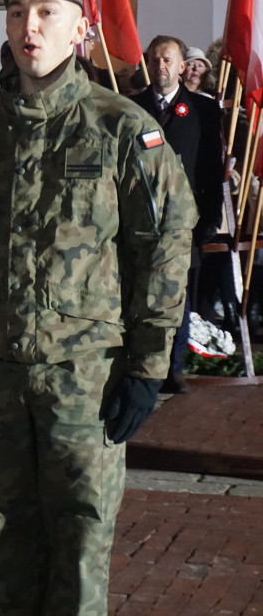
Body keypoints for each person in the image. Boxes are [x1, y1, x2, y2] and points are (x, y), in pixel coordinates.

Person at [0, 0, 197, 615]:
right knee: (3, 553)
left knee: (78, 550)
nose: (28, 27)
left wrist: (147, 369)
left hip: (84, 379)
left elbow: (162, 248)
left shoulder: (123, 129)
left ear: (81, 30)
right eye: (16, 12)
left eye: (45, 12)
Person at [132, 35, 224, 394]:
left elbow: (210, 168)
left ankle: (174, 367)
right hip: (142, 218)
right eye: (154, 60)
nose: (161, 66)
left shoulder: (201, 110)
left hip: (182, 220)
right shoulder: (133, 107)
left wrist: (210, 218)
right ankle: (142, 366)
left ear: (182, 66)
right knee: (142, 294)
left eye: (168, 60)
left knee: (178, 295)